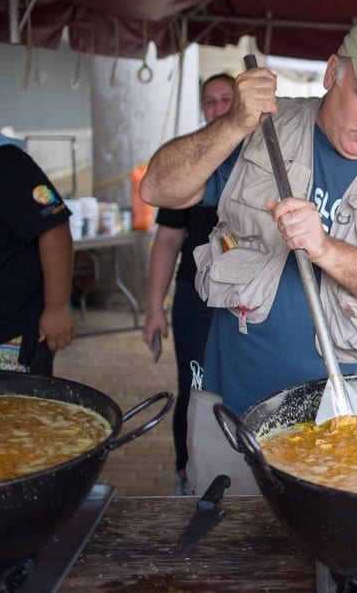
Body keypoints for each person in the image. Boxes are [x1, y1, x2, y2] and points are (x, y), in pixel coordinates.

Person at [140, 19, 357, 494]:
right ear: (332, 74)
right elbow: (158, 188)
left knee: (328, 538)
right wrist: (234, 122)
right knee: (225, 534)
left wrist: (326, 248)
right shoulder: (263, 128)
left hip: (347, 421)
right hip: (234, 405)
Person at [141, 73, 235, 496]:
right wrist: (154, 308)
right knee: (195, 387)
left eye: (226, 99)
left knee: (246, 385)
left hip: (249, 298)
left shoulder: (263, 157)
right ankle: (186, 473)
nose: (217, 108)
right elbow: (167, 240)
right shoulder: (189, 161)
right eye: (209, 101)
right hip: (195, 297)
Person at [0, 141, 74, 375]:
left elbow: (54, 227)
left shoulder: (8, 162)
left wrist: (56, 307)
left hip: (12, 334)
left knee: (19, 400)